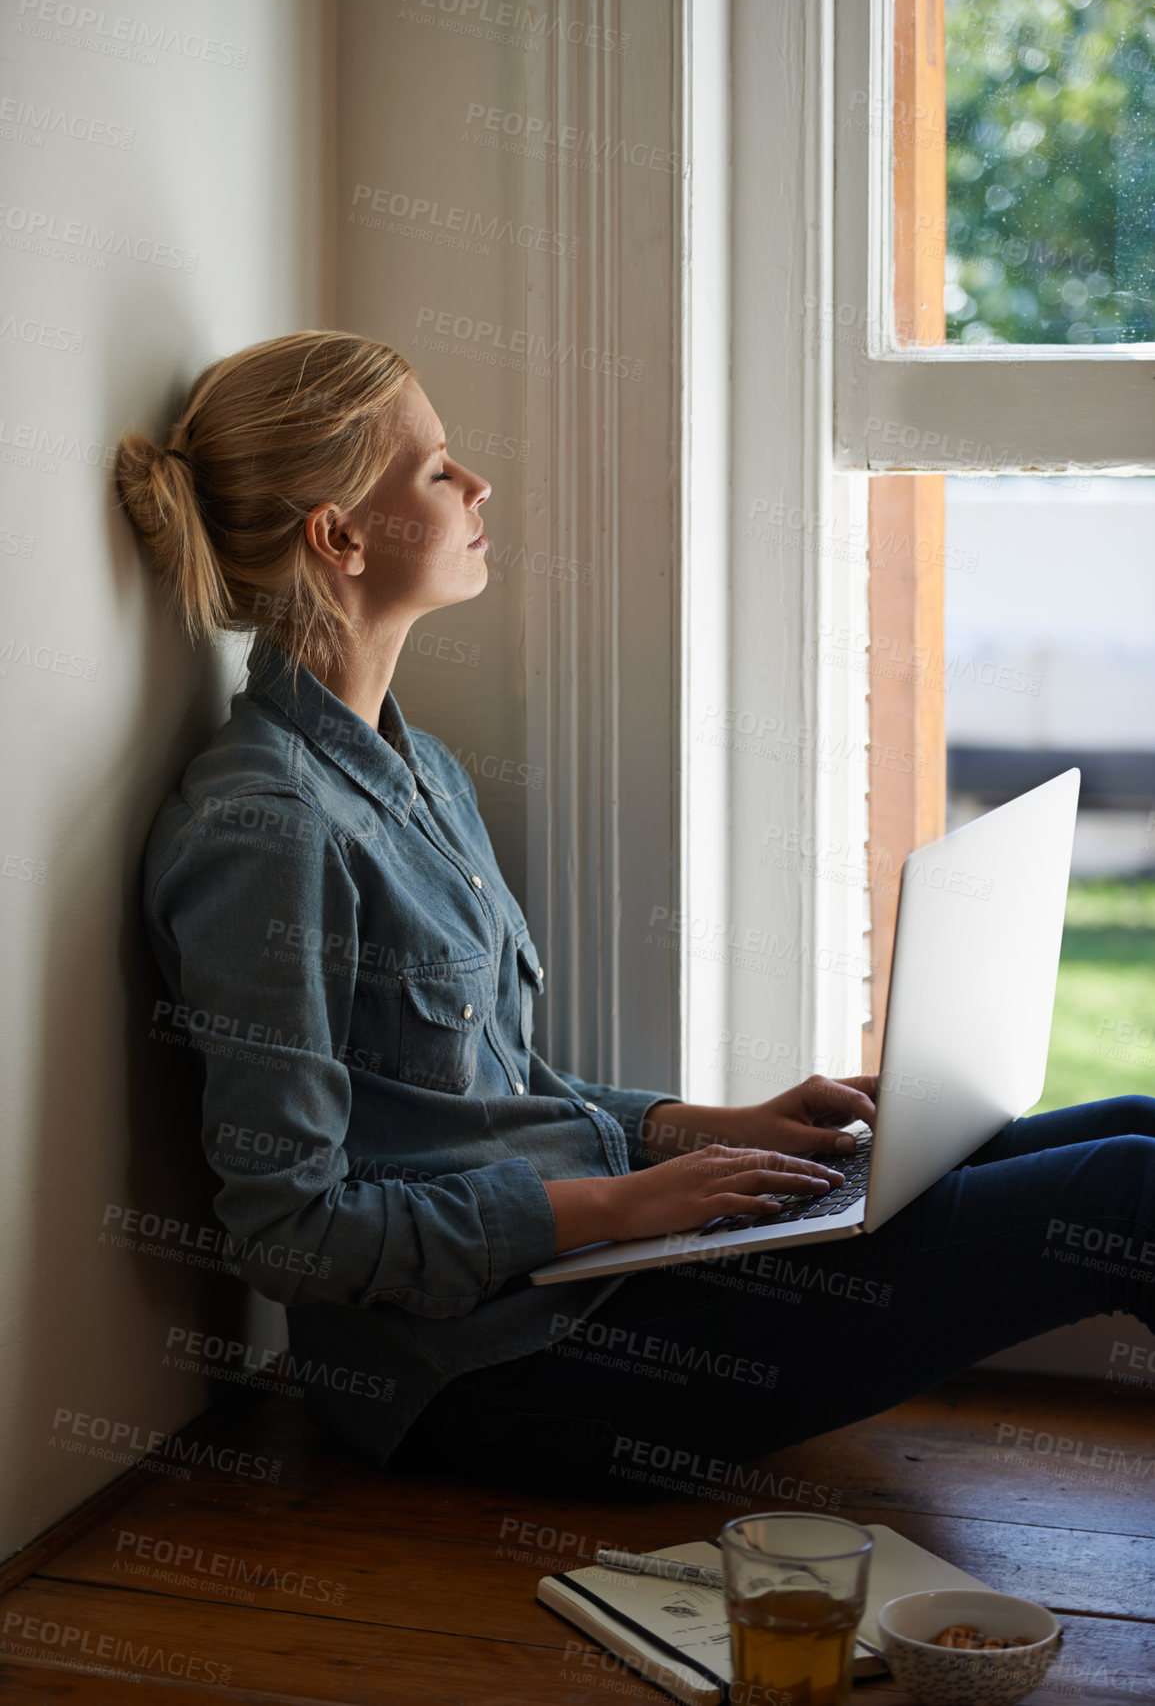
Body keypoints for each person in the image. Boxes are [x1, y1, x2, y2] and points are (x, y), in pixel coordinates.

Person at [118, 329, 1155, 1504]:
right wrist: (622, 1205)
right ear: (340, 536)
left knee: (1132, 1121)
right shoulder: (262, 832)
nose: (478, 486)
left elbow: (484, 1098)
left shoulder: (420, 773)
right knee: (1127, 1195)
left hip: (594, 1275)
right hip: (486, 1371)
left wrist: (704, 1130)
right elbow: (289, 1229)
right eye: (439, 467)